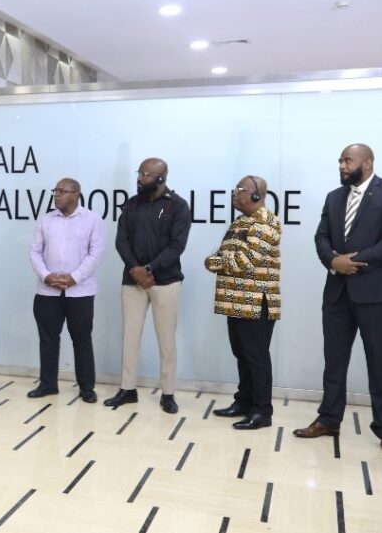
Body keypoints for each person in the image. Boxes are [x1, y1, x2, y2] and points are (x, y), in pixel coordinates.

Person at [294, 143, 382, 459]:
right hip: (337, 293)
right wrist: (333, 261)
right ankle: (329, 419)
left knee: (380, 365)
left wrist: (356, 260)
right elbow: (321, 236)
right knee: (334, 361)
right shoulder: (334, 198)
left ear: (368, 162)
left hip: (376, 295)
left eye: (348, 160)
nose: (342, 165)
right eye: (340, 160)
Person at [105, 158, 191, 414]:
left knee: (166, 340)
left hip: (165, 282)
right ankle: (127, 389)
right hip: (132, 281)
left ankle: (168, 393)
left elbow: (177, 246)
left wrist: (150, 269)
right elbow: (121, 241)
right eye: (139, 173)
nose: (140, 178)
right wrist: (136, 269)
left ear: (161, 178)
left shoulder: (178, 206)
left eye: (146, 174)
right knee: (130, 336)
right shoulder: (131, 204)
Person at [205, 176, 281, 430]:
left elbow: (243, 261)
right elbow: (227, 253)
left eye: (240, 190)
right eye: (235, 189)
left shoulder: (266, 223)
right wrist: (221, 258)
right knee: (242, 355)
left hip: (255, 303)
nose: (234, 194)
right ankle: (244, 401)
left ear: (257, 196)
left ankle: (262, 411)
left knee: (256, 357)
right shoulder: (241, 221)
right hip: (235, 301)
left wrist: (214, 262)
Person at [28, 178, 105, 402]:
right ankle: (48, 385)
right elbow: (34, 251)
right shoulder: (46, 220)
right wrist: (46, 275)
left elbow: (96, 254)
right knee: (48, 339)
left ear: (76, 194)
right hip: (47, 292)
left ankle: (87, 388)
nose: (57, 195)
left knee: (82, 340)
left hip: (80, 293)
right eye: (56, 190)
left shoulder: (92, 220)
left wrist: (74, 278)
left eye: (62, 191)